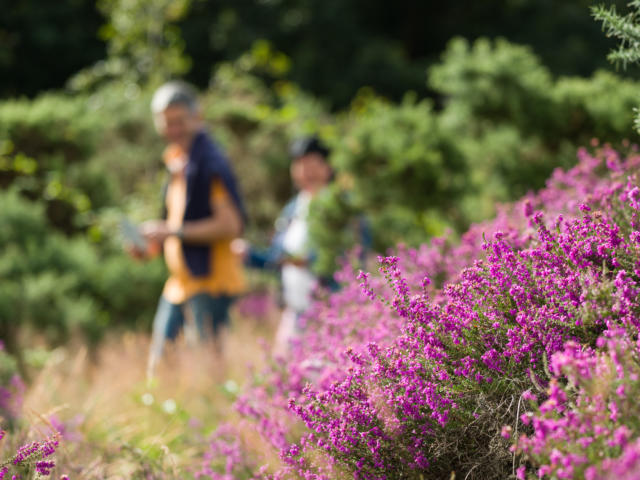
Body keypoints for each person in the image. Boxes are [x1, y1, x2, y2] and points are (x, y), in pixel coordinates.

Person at [136, 81, 247, 378]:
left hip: (210, 282)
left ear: (197, 117)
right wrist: (148, 244)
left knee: (209, 372)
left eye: (179, 121)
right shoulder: (176, 162)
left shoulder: (210, 163)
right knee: (159, 370)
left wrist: (173, 232)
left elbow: (231, 225)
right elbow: (175, 225)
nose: (173, 129)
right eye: (166, 122)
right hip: (180, 283)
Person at [240, 136, 333, 355]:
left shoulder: (339, 207)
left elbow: (345, 258)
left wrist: (301, 260)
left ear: (328, 167)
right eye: (299, 164)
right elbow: (277, 257)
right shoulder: (292, 209)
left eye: (312, 164)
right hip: (296, 310)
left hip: (328, 311)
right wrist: (249, 255)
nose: (305, 171)